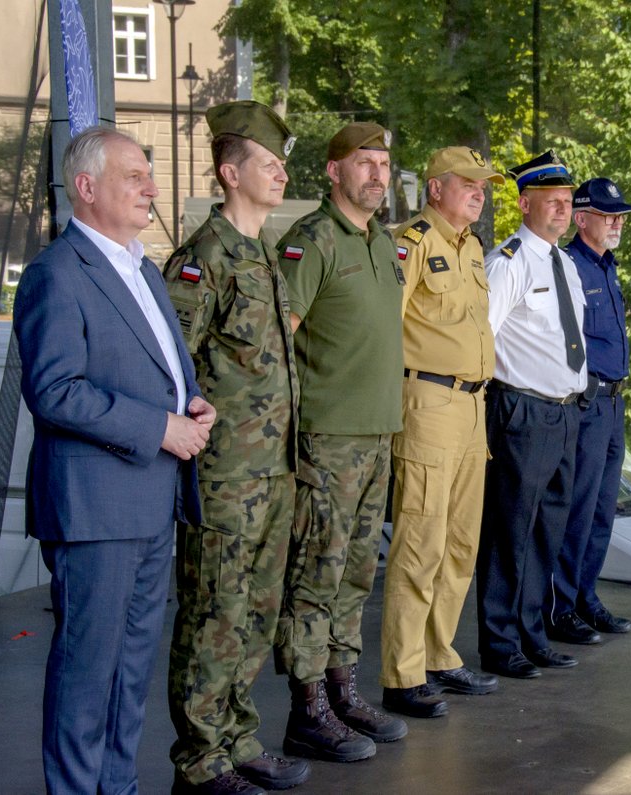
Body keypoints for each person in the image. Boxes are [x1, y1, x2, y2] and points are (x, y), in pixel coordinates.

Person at [13, 126, 214, 794]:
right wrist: (158, 425)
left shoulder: (140, 267)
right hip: (95, 507)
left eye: (149, 175)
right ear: (86, 186)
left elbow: (158, 368)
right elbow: (54, 390)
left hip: (151, 499)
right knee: (86, 673)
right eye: (135, 176)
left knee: (129, 673)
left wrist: (191, 403)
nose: (152, 188)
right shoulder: (56, 273)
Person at [162, 101, 307, 794]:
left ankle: (237, 737)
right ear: (229, 172)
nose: (281, 172)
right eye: (268, 163)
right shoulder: (204, 259)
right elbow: (169, 365)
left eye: (283, 163)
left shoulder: (264, 255)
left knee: (256, 612)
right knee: (214, 613)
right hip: (224, 478)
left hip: (273, 473)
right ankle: (199, 758)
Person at [275, 121, 408, 762]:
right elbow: (279, 342)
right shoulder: (313, 241)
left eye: (384, 163)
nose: (378, 174)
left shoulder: (381, 242)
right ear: (333, 172)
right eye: (364, 162)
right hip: (327, 441)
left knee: (357, 573)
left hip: (376, 434)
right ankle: (306, 710)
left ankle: (340, 690)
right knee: (315, 576)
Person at [379, 147, 504, 718]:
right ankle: (402, 674)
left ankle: (439, 655)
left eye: (484, 186)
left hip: (473, 406)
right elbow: (386, 326)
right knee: (420, 541)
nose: (480, 193)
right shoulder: (412, 242)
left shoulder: (472, 246)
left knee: (460, 542)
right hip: (427, 400)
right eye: (469, 184)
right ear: (435, 189)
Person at [477, 150, 589, 680]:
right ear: (525, 203)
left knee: (547, 529)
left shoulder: (563, 263)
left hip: (565, 412)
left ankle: (531, 633)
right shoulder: (509, 261)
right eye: (552, 202)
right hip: (522, 410)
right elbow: (482, 340)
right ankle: (499, 643)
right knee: (510, 531)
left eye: (567, 202)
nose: (563, 211)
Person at [545, 177, 631, 647]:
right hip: (587, 401)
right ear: (582, 219)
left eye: (620, 215)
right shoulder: (570, 266)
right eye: (608, 215)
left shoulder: (606, 266)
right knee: (578, 510)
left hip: (614, 401)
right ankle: (560, 607)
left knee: (603, 510)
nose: (617, 222)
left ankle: (585, 597)